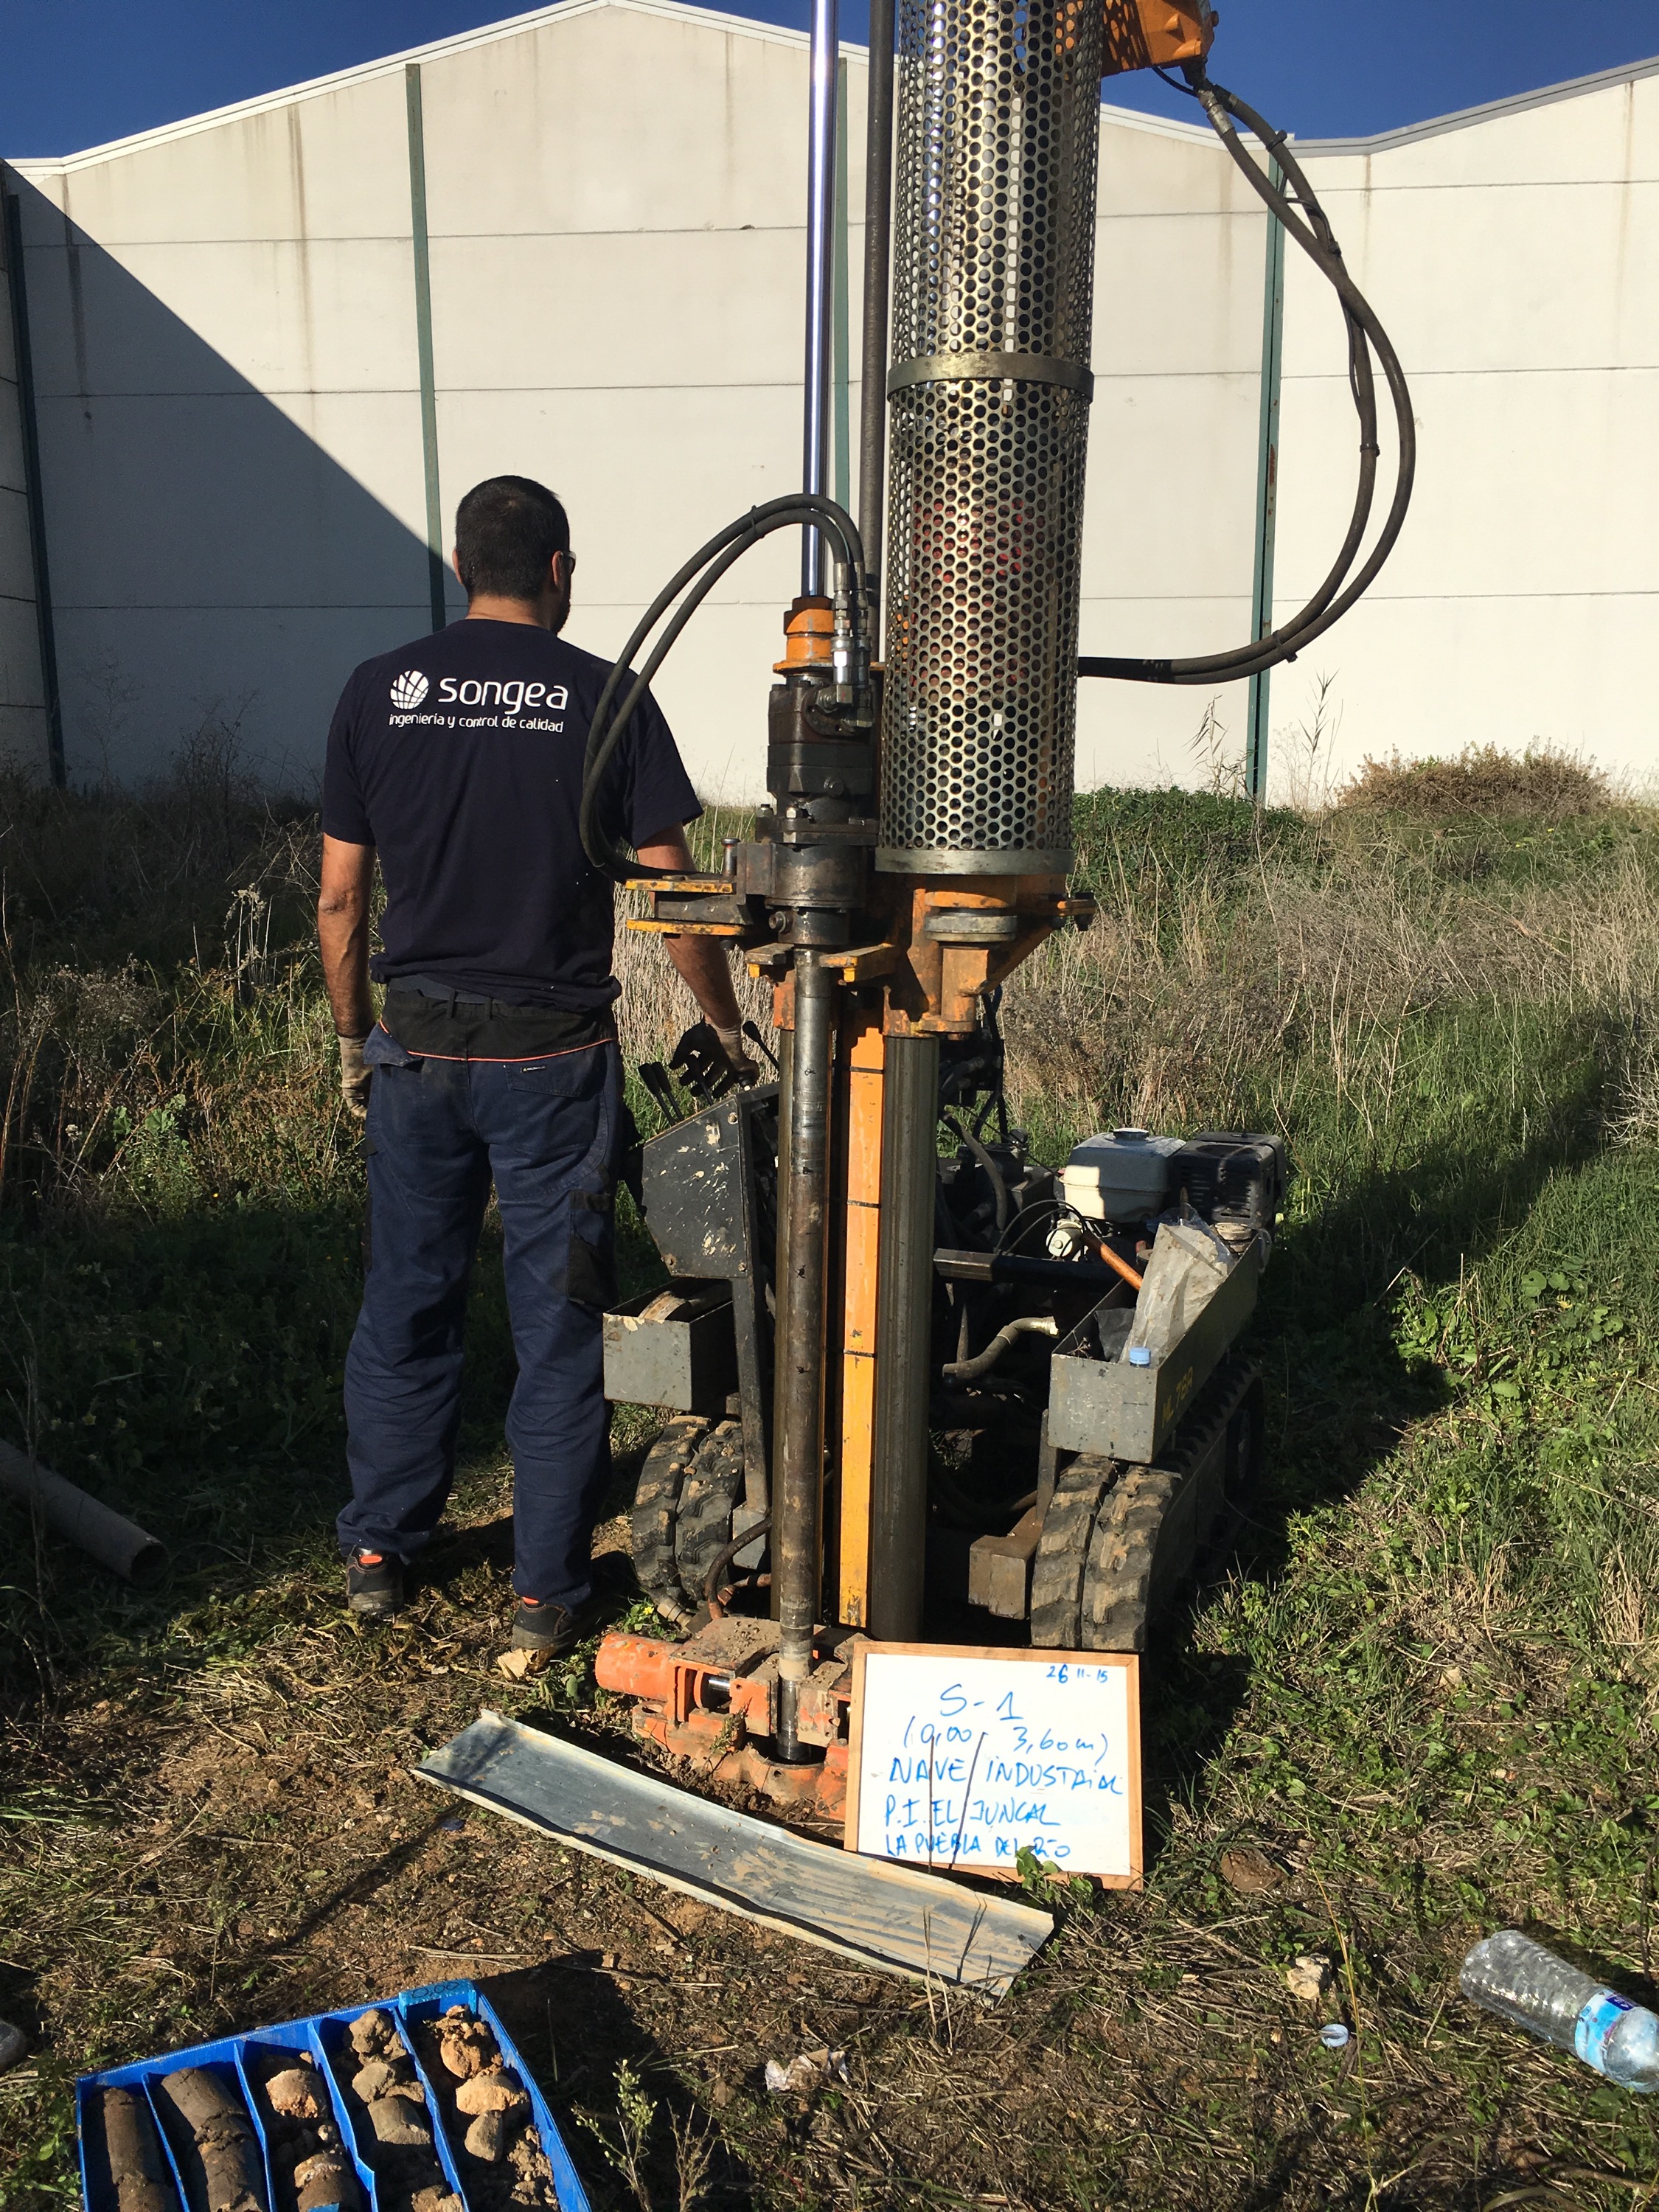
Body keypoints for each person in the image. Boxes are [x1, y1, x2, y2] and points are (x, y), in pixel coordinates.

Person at [316, 475, 754, 1654]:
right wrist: (721, 1025)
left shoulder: (378, 690)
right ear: (559, 569)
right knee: (559, 1326)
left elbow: (341, 899)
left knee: (406, 1303)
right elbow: (673, 895)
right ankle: (543, 1593)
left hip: (415, 1053)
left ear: (461, 567)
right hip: (552, 1063)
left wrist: (356, 1037)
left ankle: (379, 1550)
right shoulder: (606, 699)